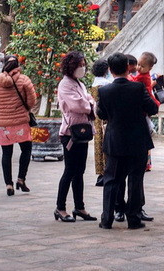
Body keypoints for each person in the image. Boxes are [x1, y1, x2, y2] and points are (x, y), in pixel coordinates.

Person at [96, 52, 158, 230]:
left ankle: (107, 219)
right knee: (135, 180)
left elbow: (102, 114)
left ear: (110, 70)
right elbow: (153, 108)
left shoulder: (104, 91)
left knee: (111, 180)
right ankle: (134, 219)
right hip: (137, 140)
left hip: (115, 141)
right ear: (127, 68)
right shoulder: (137, 88)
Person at [55, 51, 97, 223]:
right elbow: (78, 104)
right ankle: (60, 207)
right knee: (70, 171)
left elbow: (87, 100)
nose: (82, 68)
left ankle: (79, 207)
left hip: (82, 132)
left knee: (80, 172)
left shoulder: (78, 83)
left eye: (83, 65)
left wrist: (89, 103)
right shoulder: (65, 84)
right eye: (79, 65)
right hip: (70, 133)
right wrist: (90, 104)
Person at [0, 54, 38, 196]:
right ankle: (21, 179)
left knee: (6, 154)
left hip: (3, 123)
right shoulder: (24, 80)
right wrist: (24, 109)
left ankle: (8, 185)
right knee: (27, 149)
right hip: (21, 122)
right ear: (17, 65)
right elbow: (32, 101)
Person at [90, 58, 112, 187]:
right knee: (107, 143)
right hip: (106, 115)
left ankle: (100, 173)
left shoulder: (93, 84)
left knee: (98, 144)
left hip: (96, 116)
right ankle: (108, 171)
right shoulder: (107, 84)